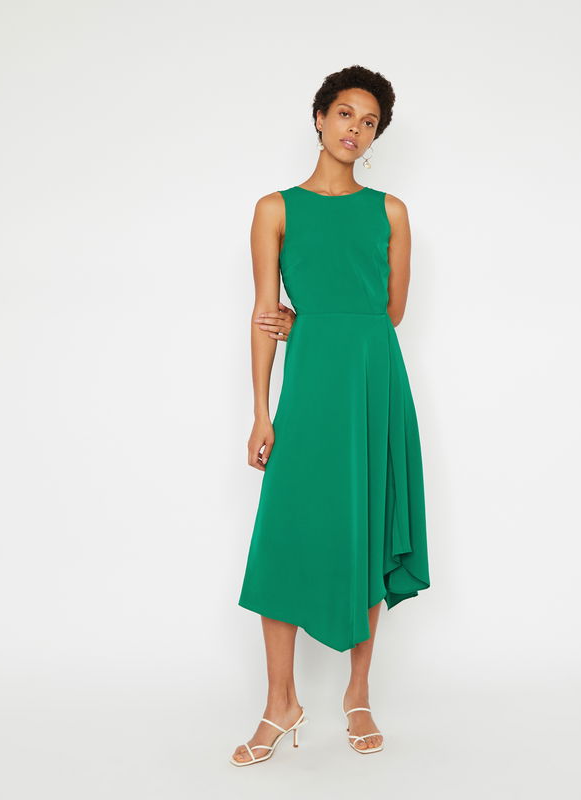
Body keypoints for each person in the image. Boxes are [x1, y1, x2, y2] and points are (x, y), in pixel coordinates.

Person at [231, 65, 430, 766]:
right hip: (310, 388)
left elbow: (390, 313)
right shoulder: (275, 209)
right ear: (319, 117)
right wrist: (262, 412)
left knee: (365, 526)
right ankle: (279, 703)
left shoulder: (391, 211)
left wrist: (319, 324)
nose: (355, 129)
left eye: (369, 122)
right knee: (284, 533)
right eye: (345, 113)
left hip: (373, 383)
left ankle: (358, 693)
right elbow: (264, 315)